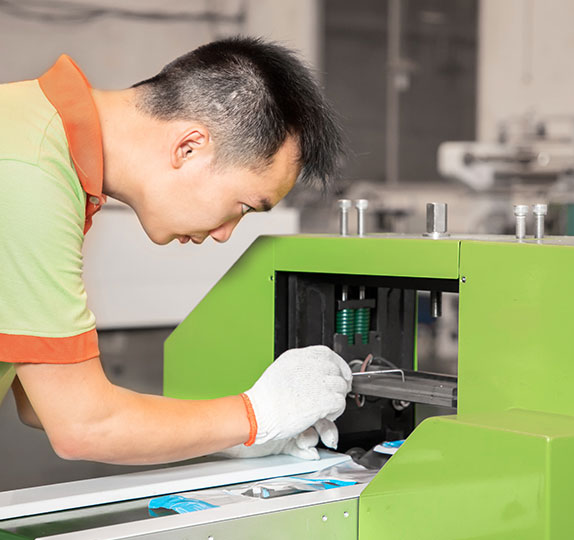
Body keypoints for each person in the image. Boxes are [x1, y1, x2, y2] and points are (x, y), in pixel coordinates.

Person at [0, 37, 352, 465]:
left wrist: (234, 432)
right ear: (189, 147)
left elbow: (42, 402)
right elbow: (82, 426)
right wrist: (256, 415)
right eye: (243, 206)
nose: (225, 234)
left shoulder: (30, 135)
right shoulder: (29, 173)